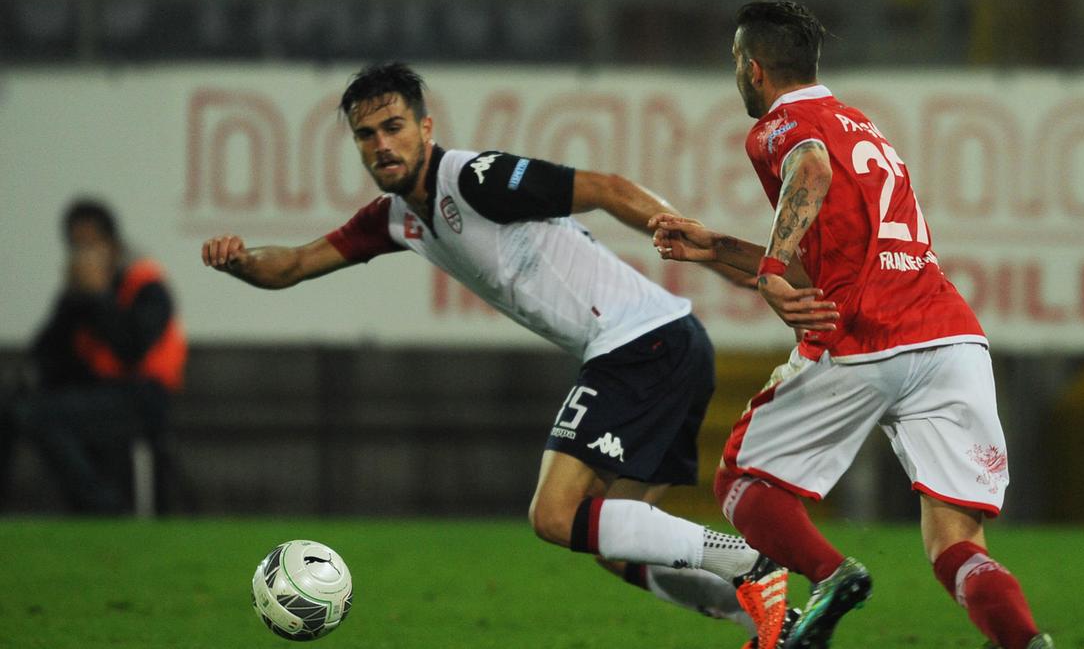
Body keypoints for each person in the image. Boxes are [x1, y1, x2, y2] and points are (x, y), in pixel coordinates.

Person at [200, 62, 795, 649]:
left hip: (641, 342)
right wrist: (242, 261)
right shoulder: (397, 219)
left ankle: (750, 562)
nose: (382, 144)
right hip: (669, 343)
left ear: (426, 129)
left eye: (394, 127)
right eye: (367, 134)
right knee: (616, 547)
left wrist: (713, 253)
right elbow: (298, 264)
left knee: (554, 515)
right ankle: (774, 627)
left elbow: (607, 189)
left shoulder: (475, 178)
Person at [649, 1, 1055, 649]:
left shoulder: (785, 125)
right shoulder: (860, 123)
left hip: (867, 334)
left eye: (734, 62)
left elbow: (809, 167)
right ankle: (1026, 641)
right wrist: (719, 248)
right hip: (950, 337)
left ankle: (832, 576)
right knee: (955, 543)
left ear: (754, 69)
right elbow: (830, 264)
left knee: (742, 483)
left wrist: (772, 268)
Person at [0, 199, 186, 513]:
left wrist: (99, 298)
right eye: (77, 245)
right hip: (97, 390)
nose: (84, 253)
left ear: (112, 245)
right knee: (14, 409)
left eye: (91, 243)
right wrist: (74, 300)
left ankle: (102, 506)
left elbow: (132, 349)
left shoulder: (146, 284)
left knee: (45, 417)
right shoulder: (78, 292)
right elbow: (47, 354)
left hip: (142, 395)